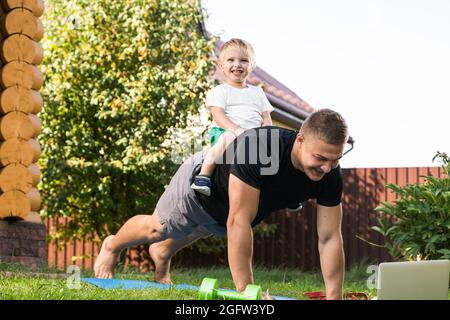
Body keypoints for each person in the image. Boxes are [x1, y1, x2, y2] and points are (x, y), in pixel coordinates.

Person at [94, 108, 349, 300]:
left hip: (224, 217)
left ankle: (162, 252)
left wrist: (334, 297)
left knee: (198, 230)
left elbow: (329, 238)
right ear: (300, 139)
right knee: (157, 228)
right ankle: (112, 245)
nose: (327, 167)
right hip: (199, 192)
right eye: (320, 158)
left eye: (335, 160)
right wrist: (248, 294)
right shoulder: (260, 147)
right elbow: (238, 222)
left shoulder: (329, 176)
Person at [190, 38, 274, 196]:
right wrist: (237, 130)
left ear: (252, 65)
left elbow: (266, 117)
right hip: (226, 132)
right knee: (228, 137)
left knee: (276, 149)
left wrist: (266, 134)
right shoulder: (220, 90)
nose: (237, 65)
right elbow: (218, 115)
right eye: (231, 60)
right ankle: (204, 175)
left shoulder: (258, 92)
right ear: (222, 65)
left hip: (254, 136)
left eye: (243, 60)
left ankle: (284, 190)